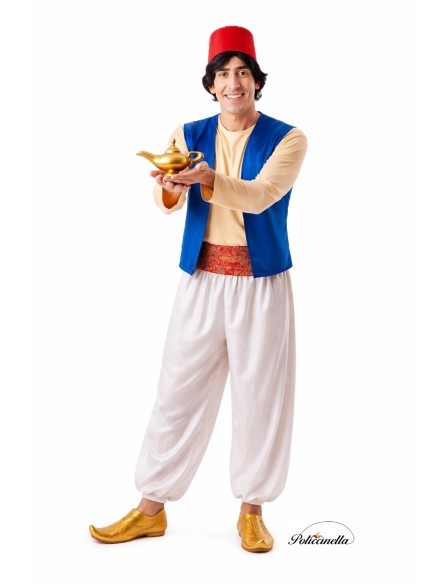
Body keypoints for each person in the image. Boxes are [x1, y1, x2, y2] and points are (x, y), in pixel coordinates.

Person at [89, 25, 308, 553]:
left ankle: (252, 511)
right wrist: (170, 189)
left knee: (260, 397)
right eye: (223, 74)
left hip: (261, 283)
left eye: (243, 73)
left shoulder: (289, 138)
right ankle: (150, 509)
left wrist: (206, 180)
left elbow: (261, 195)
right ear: (210, 84)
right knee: (177, 391)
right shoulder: (186, 135)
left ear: (257, 81)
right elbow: (170, 204)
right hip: (202, 278)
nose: (233, 83)